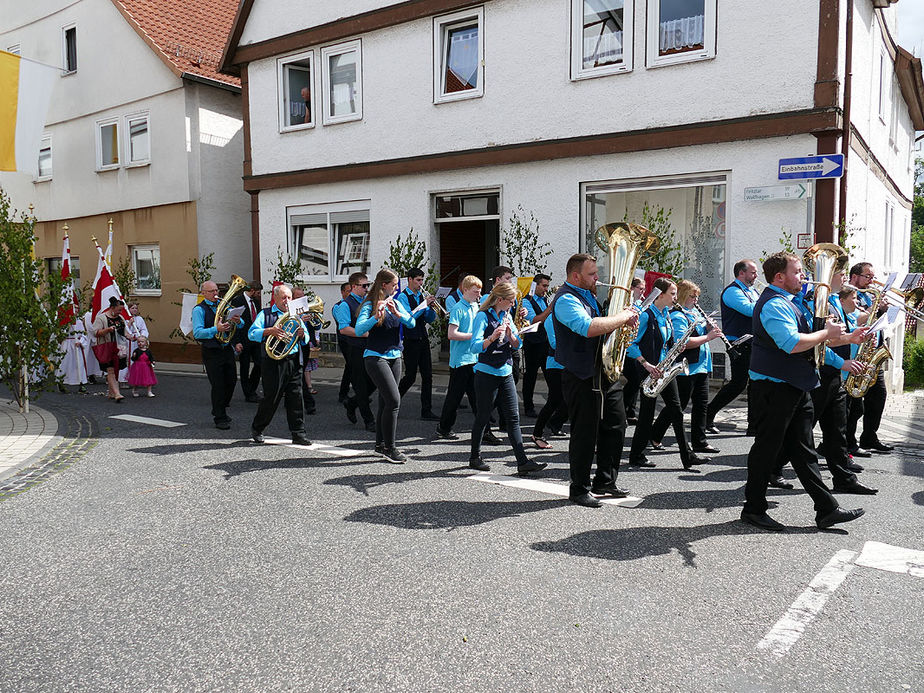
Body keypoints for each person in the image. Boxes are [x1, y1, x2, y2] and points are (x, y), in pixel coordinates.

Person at [741, 251, 865, 531]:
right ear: (779, 277)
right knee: (766, 449)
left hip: (795, 385)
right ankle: (753, 509)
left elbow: (814, 343)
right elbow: (791, 343)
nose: (805, 277)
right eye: (798, 272)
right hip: (773, 388)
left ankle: (826, 509)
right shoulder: (774, 304)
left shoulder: (791, 302)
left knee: (804, 451)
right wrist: (827, 334)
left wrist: (847, 338)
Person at [553, 253, 639, 507]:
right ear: (575, 275)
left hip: (603, 372)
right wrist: (622, 317)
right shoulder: (566, 299)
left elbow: (605, 327)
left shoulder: (587, 294)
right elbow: (588, 327)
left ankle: (605, 480)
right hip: (581, 375)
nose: (597, 278)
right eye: (592, 274)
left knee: (615, 425)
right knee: (584, 433)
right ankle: (578, 488)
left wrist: (624, 322)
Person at [779, 271, 877, 495]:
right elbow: (819, 344)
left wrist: (851, 338)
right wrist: (842, 361)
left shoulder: (834, 302)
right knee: (802, 429)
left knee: (837, 430)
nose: (844, 277)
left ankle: (843, 478)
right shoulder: (814, 303)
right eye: (840, 273)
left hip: (833, 374)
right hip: (820, 372)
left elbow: (831, 339)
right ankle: (773, 467)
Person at [626, 277, 704, 470]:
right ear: (659, 295)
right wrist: (646, 364)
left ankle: (688, 456)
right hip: (650, 371)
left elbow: (667, 342)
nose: (675, 297)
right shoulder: (646, 315)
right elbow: (630, 345)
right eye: (672, 294)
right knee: (646, 414)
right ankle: (636, 455)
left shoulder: (667, 314)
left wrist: (677, 347)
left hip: (666, 369)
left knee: (677, 412)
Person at [468, 282, 546, 475]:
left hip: (505, 372)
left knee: (513, 418)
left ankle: (522, 462)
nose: (513, 304)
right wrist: (492, 337)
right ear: (500, 299)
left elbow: (517, 344)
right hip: (486, 372)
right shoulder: (482, 316)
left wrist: (512, 336)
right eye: (511, 301)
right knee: (483, 416)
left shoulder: (507, 316)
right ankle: (474, 457)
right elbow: (474, 347)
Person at [649, 280, 724, 455]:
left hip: (702, 365)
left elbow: (699, 334)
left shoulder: (693, 313)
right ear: (683, 295)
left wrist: (706, 327)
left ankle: (700, 441)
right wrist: (709, 336)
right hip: (687, 366)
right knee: (678, 405)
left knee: (701, 405)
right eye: (692, 296)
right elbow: (683, 342)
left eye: (697, 297)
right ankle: (655, 434)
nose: (695, 300)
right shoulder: (677, 315)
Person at [356, 269, 417, 463]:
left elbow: (412, 323)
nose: (397, 287)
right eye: (394, 284)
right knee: (393, 400)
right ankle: (390, 448)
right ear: (384, 285)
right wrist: (377, 315)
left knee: (385, 401)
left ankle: (380, 445)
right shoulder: (369, 304)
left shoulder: (396, 302)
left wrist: (397, 313)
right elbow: (359, 330)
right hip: (375, 357)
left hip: (395, 356)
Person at [249, 284, 311, 446]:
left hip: (293, 360)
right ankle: (258, 428)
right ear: (275, 298)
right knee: (272, 397)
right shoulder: (265, 314)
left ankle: (298, 433)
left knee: (296, 397)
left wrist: (302, 334)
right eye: (283, 297)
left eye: (289, 297)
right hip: (273, 362)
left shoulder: (295, 315)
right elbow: (252, 333)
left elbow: (306, 338)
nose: (286, 301)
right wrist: (270, 331)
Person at [706, 259, 761, 433]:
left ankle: (754, 425)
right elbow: (751, 311)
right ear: (741, 273)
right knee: (738, 383)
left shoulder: (752, 291)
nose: (756, 275)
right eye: (753, 272)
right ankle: (708, 414)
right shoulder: (732, 292)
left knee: (755, 383)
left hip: (752, 342)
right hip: (739, 343)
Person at [846, 262, 893, 454]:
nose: (871, 280)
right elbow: (856, 319)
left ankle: (869, 437)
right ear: (855, 276)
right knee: (855, 404)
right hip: (858, 355)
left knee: (878, 397)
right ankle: (847, 443)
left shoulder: (868, 294)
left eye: (872, 276)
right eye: (868, 276)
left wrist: (883, 310)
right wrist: (874, 307)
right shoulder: (849, 293)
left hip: (874, 353)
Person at [436, 275, 483, 440]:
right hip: (461, 360)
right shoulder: (458, 308)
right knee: (454, 397)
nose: (478, 295)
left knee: (477, 397)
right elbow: (451, 334)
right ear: (465, 289)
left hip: (474, 358)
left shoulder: (475, 306)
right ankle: (443, 427)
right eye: (475, 291)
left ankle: (485, 430)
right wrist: (473, 336)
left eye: (480, 291)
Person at [192, 281, 243, 429]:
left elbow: (241, 325)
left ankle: (220, 407)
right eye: (212, 291)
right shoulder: (199, 310)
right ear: (203, 293)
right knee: (218, 384)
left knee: (232, 380)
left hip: (226, 348)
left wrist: (238, 321)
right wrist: (216, 329)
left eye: (216, 291)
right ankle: (219, 416)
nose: (216, 294)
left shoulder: (225, 306)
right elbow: (197, 333)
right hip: (211, 351)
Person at [333, 272, 377, 432]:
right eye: (364, 286)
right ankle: (369, 420)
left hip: (370, 347)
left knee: (374, 382)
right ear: (353, 287)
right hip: (355, 348)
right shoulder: (345, 304)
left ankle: (352, 403)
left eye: (368, 285)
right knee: (360, 385)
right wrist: (363, 333)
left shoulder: (368, 302)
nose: (367, 288)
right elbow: (344, 329)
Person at [396, 267, 440, 421]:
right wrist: (423, 305)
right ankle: (392, 401)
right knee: (410, 376)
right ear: (410, 279)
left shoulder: (421, 295)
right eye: (418, 280)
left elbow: (429, 319)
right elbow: (409, 317)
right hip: (411, 340)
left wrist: (431, 308)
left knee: (428, 376)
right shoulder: (402, 297)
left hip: (423, 338)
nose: (421, 283)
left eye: (422, 280)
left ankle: (426, 410)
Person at [531, 311, 569, 449]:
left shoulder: (567, 316)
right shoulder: (551, 319)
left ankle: (555, 423)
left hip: (568, 364)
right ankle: (537, 433)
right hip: (555, 364)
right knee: (554, 400)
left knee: (570, 399)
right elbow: (554, 343)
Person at [521, 273, 552, 417]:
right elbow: (535, 320)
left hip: (545, 342)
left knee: (551, 376)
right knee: (531, 376)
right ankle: (528, 406)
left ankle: (553, 405)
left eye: (547, 286)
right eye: (544, 286)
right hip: (533, 343)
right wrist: (550, 308)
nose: (546, 289)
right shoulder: (526, 301)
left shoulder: (544, 299)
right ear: (536, 285)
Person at [92, 297, 129, 402]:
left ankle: (111, 392)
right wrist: (107, 330)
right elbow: (96, 332)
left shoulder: (120, 318)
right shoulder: (101, 318)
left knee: (116, 369)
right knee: (111, 370)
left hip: (119, 347)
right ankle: (117, 393)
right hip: (107, 347)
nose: (120, 312)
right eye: (119, 310)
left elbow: (124, 331)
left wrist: (130, 336)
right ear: (112, 308)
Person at [234, 281, 264, 403]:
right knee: (244, 367)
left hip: (255, 339)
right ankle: (248, 393)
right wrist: (236, 341)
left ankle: (252, 388)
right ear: (251, 290)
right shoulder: (237, 301)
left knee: (259, 364)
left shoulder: (256, 302)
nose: (259, 295)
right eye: (257, 292)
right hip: (243, 339)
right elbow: (234, 322)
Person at [624, 276, 646, 423]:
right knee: (634, 379)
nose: (643, 293)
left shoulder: (639, 303)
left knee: (637, 380)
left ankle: (630, 411)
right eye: (641, 289)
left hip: (636, 346)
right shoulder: (626, 303)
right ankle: (621, 408)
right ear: (632, 288)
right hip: (626, 346)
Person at [118, 302, 149, 384]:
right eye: (132, 308)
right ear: (128, 309)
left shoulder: (139, 319)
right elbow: (123, 330)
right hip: (128, 342)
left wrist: (142, 337)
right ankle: (124, 380)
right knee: (127, 360)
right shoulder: (124, 318)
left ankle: (136, 379)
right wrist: (129, 323)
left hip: (137, 342)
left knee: (137, 360)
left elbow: (144, 329)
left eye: (136, 308)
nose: (135, 310)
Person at [333, 282, 353, 404]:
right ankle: (343, 393)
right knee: (350, 365)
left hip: (355, 339)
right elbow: (343, 323)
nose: (350, 293)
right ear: (343, 292)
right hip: (345, 340)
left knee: (352, 366)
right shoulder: (338, 306)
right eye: (348, 290)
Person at [57, 318, 89, 393]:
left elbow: (83, 334)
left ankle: (81, 384)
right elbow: (59, 335)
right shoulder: (63, 322)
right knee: (64, 363)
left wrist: (80, 342)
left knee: (79, 364)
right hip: (66, 344)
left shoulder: (79, 322)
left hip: (76, 345)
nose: (76, 311)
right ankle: (61, 382)